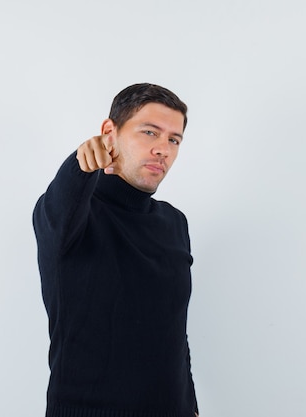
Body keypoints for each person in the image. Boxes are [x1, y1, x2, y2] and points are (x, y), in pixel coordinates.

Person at [33, 83, 199, 417]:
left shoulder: (174, 222)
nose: (162, 149)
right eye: (149, 132)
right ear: (110, 131)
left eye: (173, 139)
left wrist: (191, 405)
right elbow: (60, 209)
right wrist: (79, 164)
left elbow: (173, 331)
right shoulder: (74, 213)